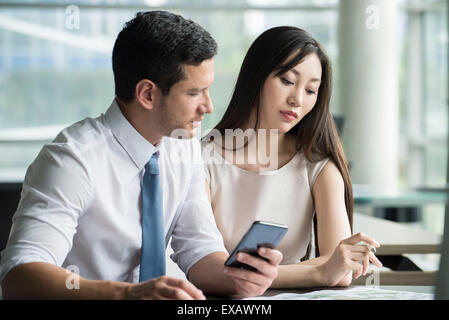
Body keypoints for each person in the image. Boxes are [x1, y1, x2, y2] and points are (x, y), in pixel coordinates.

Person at [0, 11, 282, 300]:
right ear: (147, 94)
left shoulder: (183, 146)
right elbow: (19, 276)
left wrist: (238, 276)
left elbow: (199, 250)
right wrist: (126, 295)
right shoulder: (71, 160)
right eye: (195, 93)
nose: (208, 107)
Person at [202, 26, 383, 288]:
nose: (297, 100)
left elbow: (341, 272)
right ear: (256, 76)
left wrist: (328, 268)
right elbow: (205, 269)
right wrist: (319, 270)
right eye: (287, 81)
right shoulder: (203, 159)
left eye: (311, 90)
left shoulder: (319, 167)